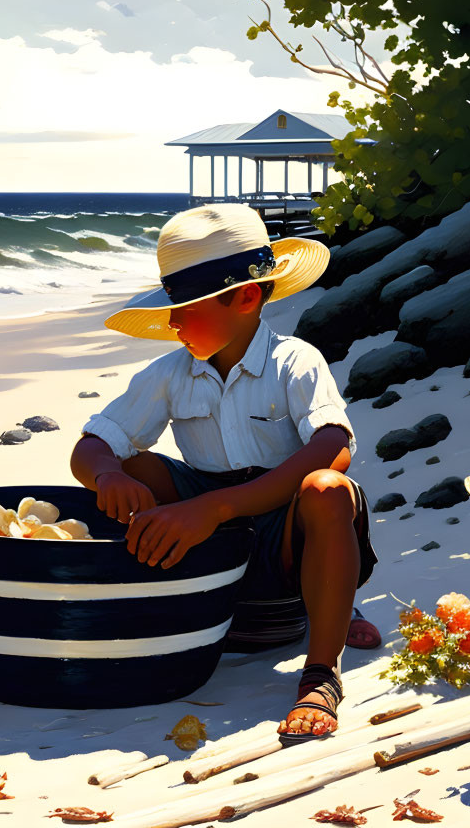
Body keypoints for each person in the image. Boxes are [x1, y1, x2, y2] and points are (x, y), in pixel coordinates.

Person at [69, 204, 378, 743]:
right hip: (212, 531)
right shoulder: (168, 373)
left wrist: (217, 507)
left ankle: (322, 671)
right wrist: (107, 476)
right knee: (135, 466)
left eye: (185, 308)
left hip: (283, 523)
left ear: (247, 297)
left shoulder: (294, 361)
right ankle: (176, 611)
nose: (171, 322)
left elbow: (333, 446)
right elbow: (91, 445)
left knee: (328, 491)